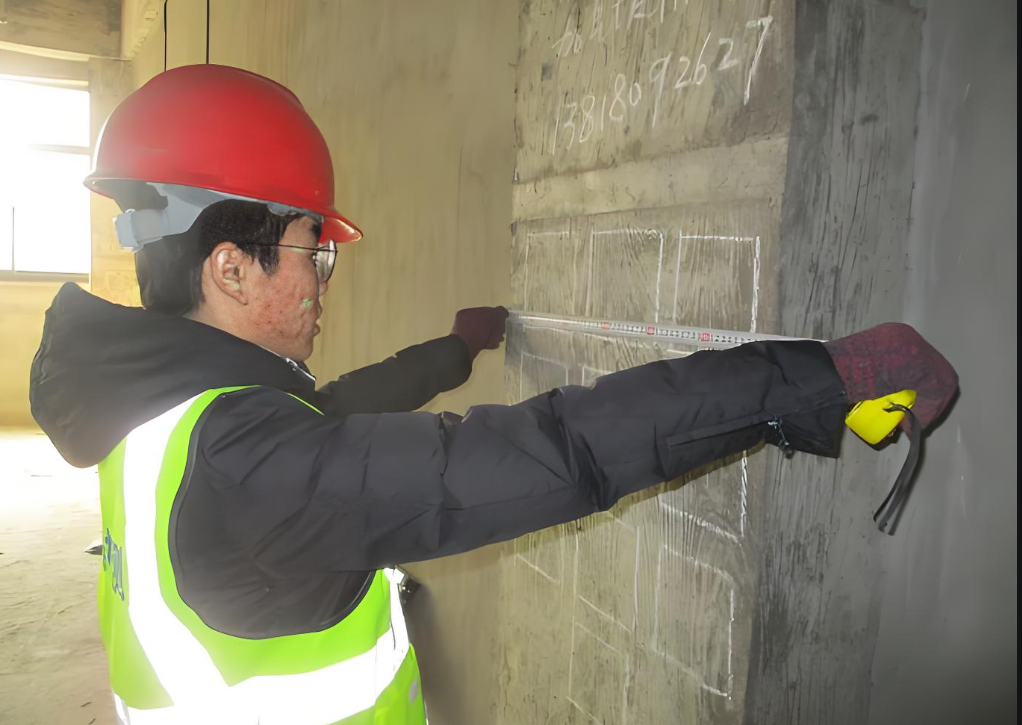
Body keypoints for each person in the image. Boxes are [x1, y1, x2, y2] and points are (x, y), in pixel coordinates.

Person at [29, 64, 958, 725]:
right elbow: (556, 450)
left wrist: (455, 349)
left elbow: (336, 409)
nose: (323, 280)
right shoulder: (250, 469)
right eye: (315, 250)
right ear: (232, 268)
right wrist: (821, 374)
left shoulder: (163, 415)